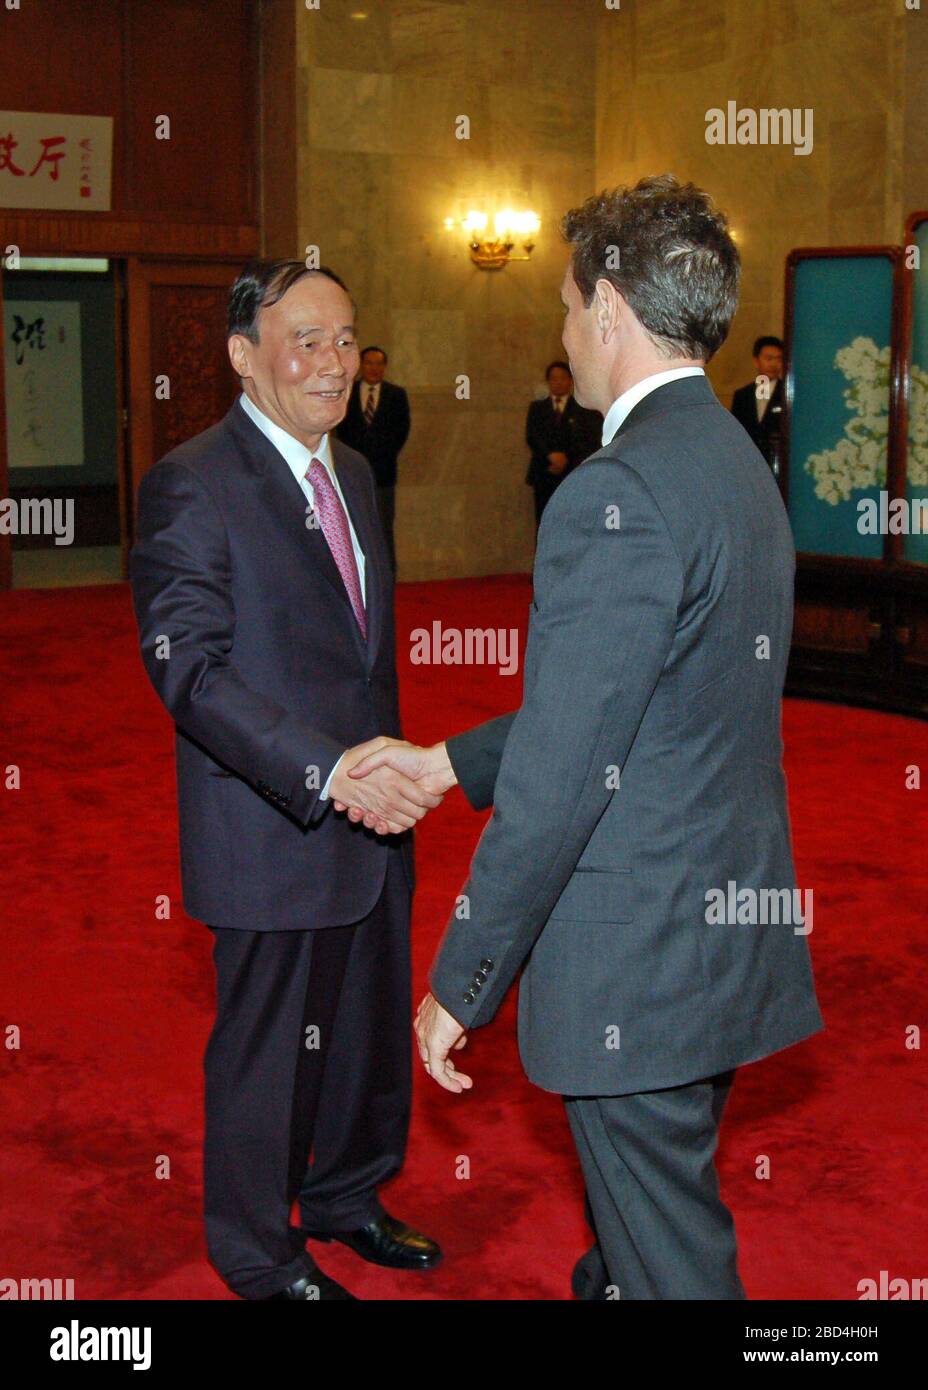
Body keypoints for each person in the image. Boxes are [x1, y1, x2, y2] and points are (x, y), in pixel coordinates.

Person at [337, 177, 824, 1301]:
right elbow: (639, 709)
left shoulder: (615, 490)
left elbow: (566, 774)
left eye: (564, 306)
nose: (560, 330)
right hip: (711, 944)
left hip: (635, 968)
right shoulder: (735, 466)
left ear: (608, 308)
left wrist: (463, 976)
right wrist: (449, 763)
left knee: (669, 1270)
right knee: (628, 1248)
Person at [129, 260, 442, 1302]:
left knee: (361, 1029)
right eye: (305, 339)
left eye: (346, 339)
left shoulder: (351, 470)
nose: (333, 362)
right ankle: (258, 1251)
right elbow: (189, 667)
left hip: (373, 818)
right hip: (274, 819)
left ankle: (347, 1193)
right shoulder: (193, 480)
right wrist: (324, 770)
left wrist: (384, 772)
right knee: (267, 1055)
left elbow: (358, 654)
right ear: (241, 355)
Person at [336, 345, 410, 574]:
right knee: (354, 526)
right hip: (352, 474)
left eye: (379, 364)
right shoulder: (346, 392)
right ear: (360, 365)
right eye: (369, 363)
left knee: (383, 526)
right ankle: (356, 573)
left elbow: (402, 431)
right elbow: (340, 430)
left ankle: (387, 574)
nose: (374, 368)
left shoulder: (396, 395)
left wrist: (382, 455)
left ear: (384, 367)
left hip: (383, 472)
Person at [525, 361, 602, 527]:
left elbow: (589, 441)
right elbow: (532, 436)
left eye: (562, 378)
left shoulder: (583, 409)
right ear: (548, 382)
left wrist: (565, 459)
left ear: (570, 381)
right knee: (543, 521)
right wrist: (550, 456)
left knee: (571, 522)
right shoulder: (537, 408)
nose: (558, 382)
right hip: (543, 474)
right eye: (554, 378)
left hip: (572, 474)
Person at [730, 335, 784, 471]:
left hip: (777, 464)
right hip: (748, 464)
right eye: (769, 359)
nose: (773, 364)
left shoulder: (787, 395)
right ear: (756, 361)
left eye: (778, 359)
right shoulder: (742, 395)